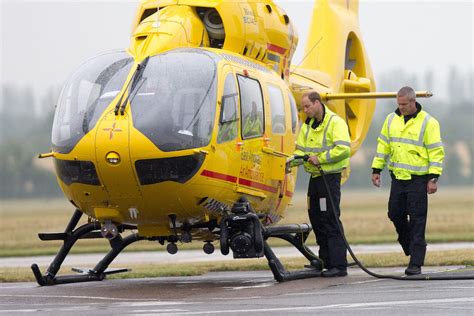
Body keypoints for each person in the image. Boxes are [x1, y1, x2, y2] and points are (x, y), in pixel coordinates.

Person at [371, 86, 445, 275]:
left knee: (418, 220)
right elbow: (383, 147)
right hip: (398, 179)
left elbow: (436, 152)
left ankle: (415, 263)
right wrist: (376, 169)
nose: (401, 107)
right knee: (394, 214)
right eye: (399, 104)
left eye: (404, 104)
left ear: (413, 102)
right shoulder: (390, 120)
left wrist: (433, 178)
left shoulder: (429, 123)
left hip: (418, 180)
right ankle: (409, 245)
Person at [291, 91, 351, 277]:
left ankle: (339, 265)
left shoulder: (335, 122)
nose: (305, 110)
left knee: (330, 218)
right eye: (303, 107)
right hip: (315, 179)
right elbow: (300, 152)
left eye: (307, 106)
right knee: (316, 217)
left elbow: (343, 149)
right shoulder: (307, 126)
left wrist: (321, 159)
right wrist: (288, 163)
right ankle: (325, 260)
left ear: (317, 103)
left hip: (329, 178)